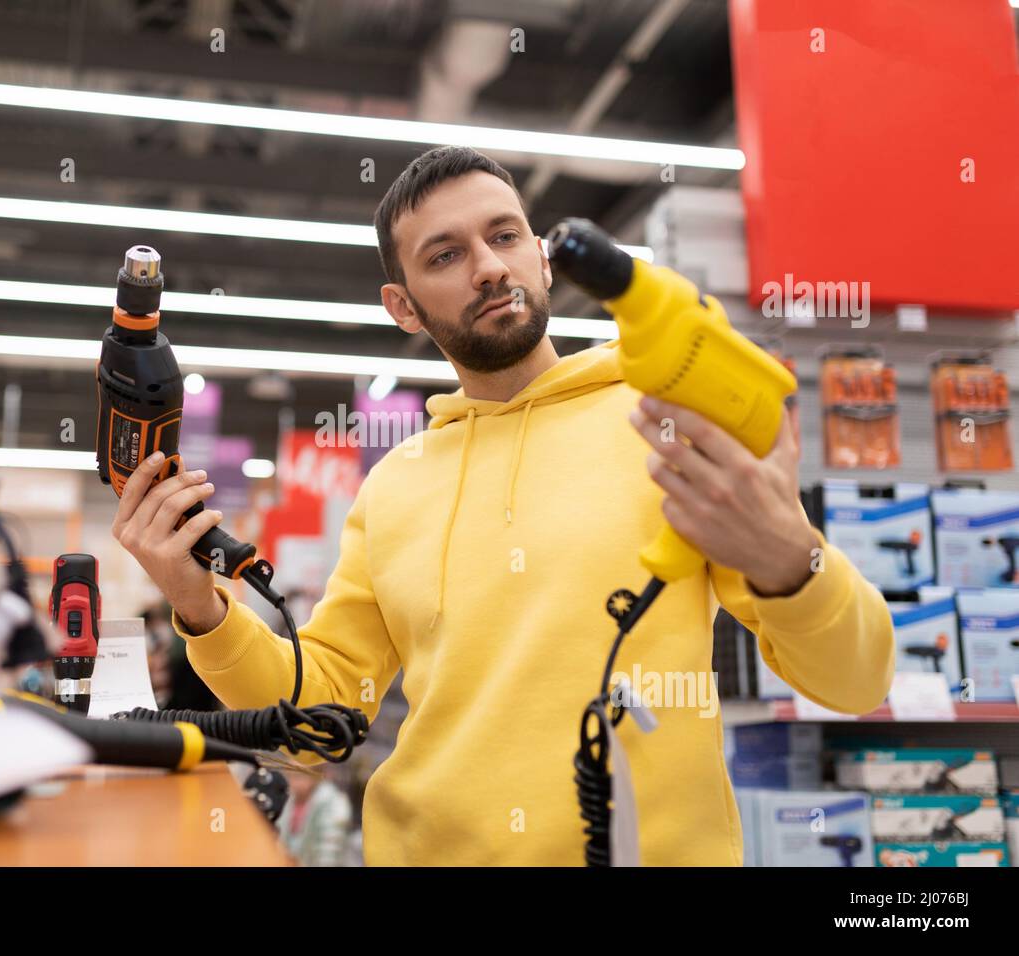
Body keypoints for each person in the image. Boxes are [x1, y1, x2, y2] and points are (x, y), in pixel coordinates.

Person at [111, 146, 894, 866]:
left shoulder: (666, 422)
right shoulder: (395, 485)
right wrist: (199, 603)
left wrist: (792, 557)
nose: (488, 267)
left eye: (506, 236)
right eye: (446, 255)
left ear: (544, 260)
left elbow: (856, 681)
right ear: (404, 307)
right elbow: (321, 718)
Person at [275, 769, 354, 867]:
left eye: (298, 775)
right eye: (289, 775)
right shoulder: (288, 800)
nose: (292, 781)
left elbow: (329, 856)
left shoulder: (335, 804)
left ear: (315, 775)